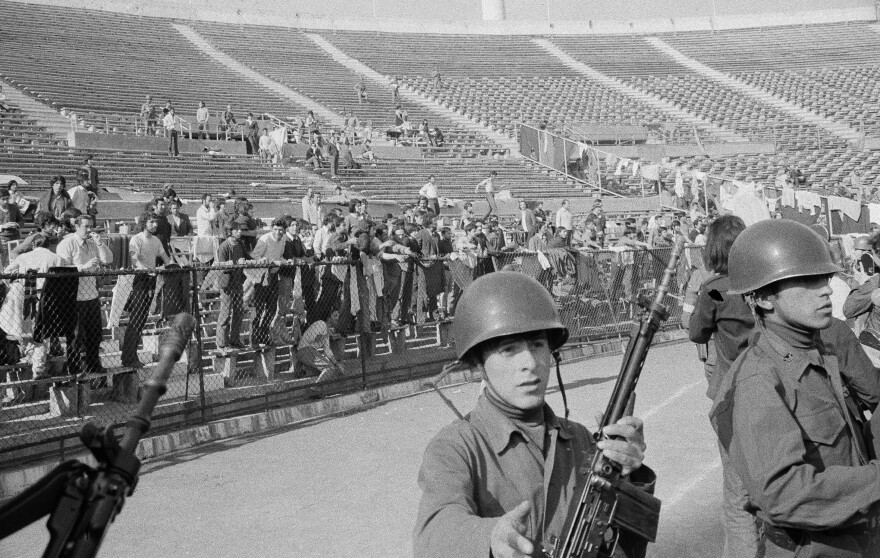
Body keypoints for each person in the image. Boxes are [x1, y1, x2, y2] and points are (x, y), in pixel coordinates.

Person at [414, 272, 653, 558]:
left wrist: (629, 474)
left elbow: (625, 545)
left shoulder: (580, 439)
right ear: (478, 365)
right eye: (509, 350)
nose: (529, 363)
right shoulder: (457, 446)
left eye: (538, 345)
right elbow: (434, 530)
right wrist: (490, 537)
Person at [711, 219, 880, 557]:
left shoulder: (820, 351)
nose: (826, 290)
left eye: (824, 278)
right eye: (805, 281)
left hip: (857, 537)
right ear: (762, 298)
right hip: (813, 547)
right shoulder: (759, 379)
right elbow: (784, 494)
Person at [686, 215, 761, 557]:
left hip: (734, 393)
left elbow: (696, 332)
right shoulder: (763, 283)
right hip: (776, 386)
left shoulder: (714, 289)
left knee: (737, 498)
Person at [55, 215, 112, 375]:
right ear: (77, 227)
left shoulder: (93, 243)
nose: (89, 230)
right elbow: (62, 269)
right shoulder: (67, 244)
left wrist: (100, 243)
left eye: (91, 226)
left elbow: (108, 260)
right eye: (86, 227)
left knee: (95, 334)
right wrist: (82, 267)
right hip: (74, 297)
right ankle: (73, 369)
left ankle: (93, 365)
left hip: (92, 295)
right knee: (75, 336)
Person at [121, 213, 172, 368]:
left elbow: (166, 258)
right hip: (140, 281)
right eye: (151, 222)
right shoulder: (136, 239)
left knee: (142, 319)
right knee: (136, 320)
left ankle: (132, 355)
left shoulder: (156, 240)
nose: (155, 225)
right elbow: (135, 260)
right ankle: (128, 356)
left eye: (156, 222)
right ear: (144, 223)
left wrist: (172, 265)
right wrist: (146, 269)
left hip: (151, 279)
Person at [250, 218, 287, 346]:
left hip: (273, 276)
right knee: (258, 308)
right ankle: (254, 336)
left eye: (281, 230)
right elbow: (255, 257)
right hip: (261, 276)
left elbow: (280, 256)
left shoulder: (283, 240)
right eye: (275, 229)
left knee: (271, 308)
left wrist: (284, 261)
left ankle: (263, 333)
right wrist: (270, 262)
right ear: (272, 229)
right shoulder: (265, 239)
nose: (278, 232)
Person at [216, 221, 247, 349]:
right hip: (227, 284)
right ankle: (221, 342)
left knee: (239, 311)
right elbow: (221, 265)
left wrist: (255, 260)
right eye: (236, 229)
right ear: (229, 232)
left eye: (240, 229)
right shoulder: (224, 246)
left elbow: (246, 256)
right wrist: (236, 262)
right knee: (226, 312)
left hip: (238, 282)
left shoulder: (240, 244)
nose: (239, 231)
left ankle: (235, 339)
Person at [0, 188, 22, 267]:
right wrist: (3, 226)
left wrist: (17, 224)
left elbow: (22, 221)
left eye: (7, 199)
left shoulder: (13, 207)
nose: (5, 201)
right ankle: (4, 277)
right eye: (3, 199)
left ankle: (15, 277)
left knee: (15, 259)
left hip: (15, 237)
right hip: (2, 239)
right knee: (4, 259)